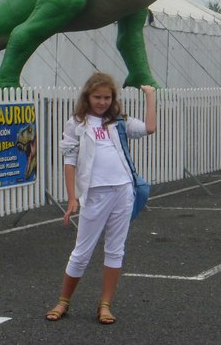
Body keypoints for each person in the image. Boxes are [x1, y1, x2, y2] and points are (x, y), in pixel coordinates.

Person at [45, 72, 156, 325]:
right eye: (97, 97)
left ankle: (105, 305)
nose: (102, 102)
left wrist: (151, 97)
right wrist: (72, 197)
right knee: (82, 251)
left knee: (115, 249)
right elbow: (69, 160)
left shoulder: (119, 120)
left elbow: (150, 128)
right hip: (94, 193)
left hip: (123, 190)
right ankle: (63, 301)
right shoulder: (77, 123)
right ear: (87, 96)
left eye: (107, 97)